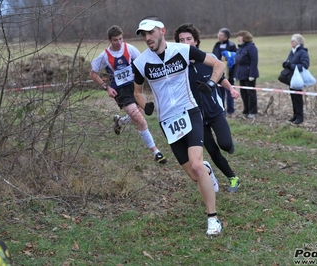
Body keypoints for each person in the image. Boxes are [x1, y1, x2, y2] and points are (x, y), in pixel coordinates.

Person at [133, 16, 225, 235]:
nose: (147, 38)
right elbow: (137, 92)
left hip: (190, 112)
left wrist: (211, 83)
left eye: (151, 33)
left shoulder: (183, 50)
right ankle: (207, 170)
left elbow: (219, 65)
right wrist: (145, 106)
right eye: (144, 35)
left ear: (162, 31)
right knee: (195, 175)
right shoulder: (141, 62)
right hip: (168, 121)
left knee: (195, 165)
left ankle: (213, 219)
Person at [174, 23, 241, 193]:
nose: (186, 42)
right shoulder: (178, 66)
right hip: (196, 116)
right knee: (212, 150)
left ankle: (229, 146)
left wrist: (231, 89)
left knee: (225, 144)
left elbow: (220, 77)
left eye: (189, 39)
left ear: (195, 41)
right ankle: (233, 178)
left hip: (214, 111)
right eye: (181, 40)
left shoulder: (208, 58)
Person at [90, 25, 167, 164]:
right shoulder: (104, 55)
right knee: (140, 120)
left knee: (139, 114)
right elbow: (93, 73)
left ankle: (120, 121)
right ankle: (156, 152)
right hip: (120, 91)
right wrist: (106, 87)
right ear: (109, 40)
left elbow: (142, 63)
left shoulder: (130, 49)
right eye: (115, 40)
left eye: (120, 39)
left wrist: (137, 73)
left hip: (135, 87)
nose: (118, 42)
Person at [282, 34, 309, 125]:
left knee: (298, 98)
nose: (291, 42)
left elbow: (305, 65)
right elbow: (289, 61)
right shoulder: (292, 51)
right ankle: (295, 115)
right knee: (293, 97)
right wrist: (286, 64)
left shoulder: (302, 52)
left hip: (298, 78)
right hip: (291, 77)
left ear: (298, 42)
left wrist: (292, 66)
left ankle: (300, 117)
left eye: (293, 41)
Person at [234, 30, 259, 119]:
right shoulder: (240, 48)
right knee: (243, 93)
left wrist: (252, 74)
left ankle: (253, 111)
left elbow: (254, 61)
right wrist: (236, 75)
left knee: (250, 93)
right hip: (241, 74)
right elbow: (237, 62)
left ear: (245, 37)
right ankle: (246, 110)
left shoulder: (251, 47)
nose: (238, 38)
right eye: (238, 36)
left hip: (249, 74)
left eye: (240, 36)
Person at [212, 28, 237, 118]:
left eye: (221, 35)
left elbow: (235, 59)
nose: (218, 36)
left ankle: (231, 111)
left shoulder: (231, 45)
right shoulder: (216, 45)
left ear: (226, 37)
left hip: (229, 74)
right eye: (218, 34)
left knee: (230, 92)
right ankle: (222, 110)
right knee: (219, 93)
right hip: (218, 73)